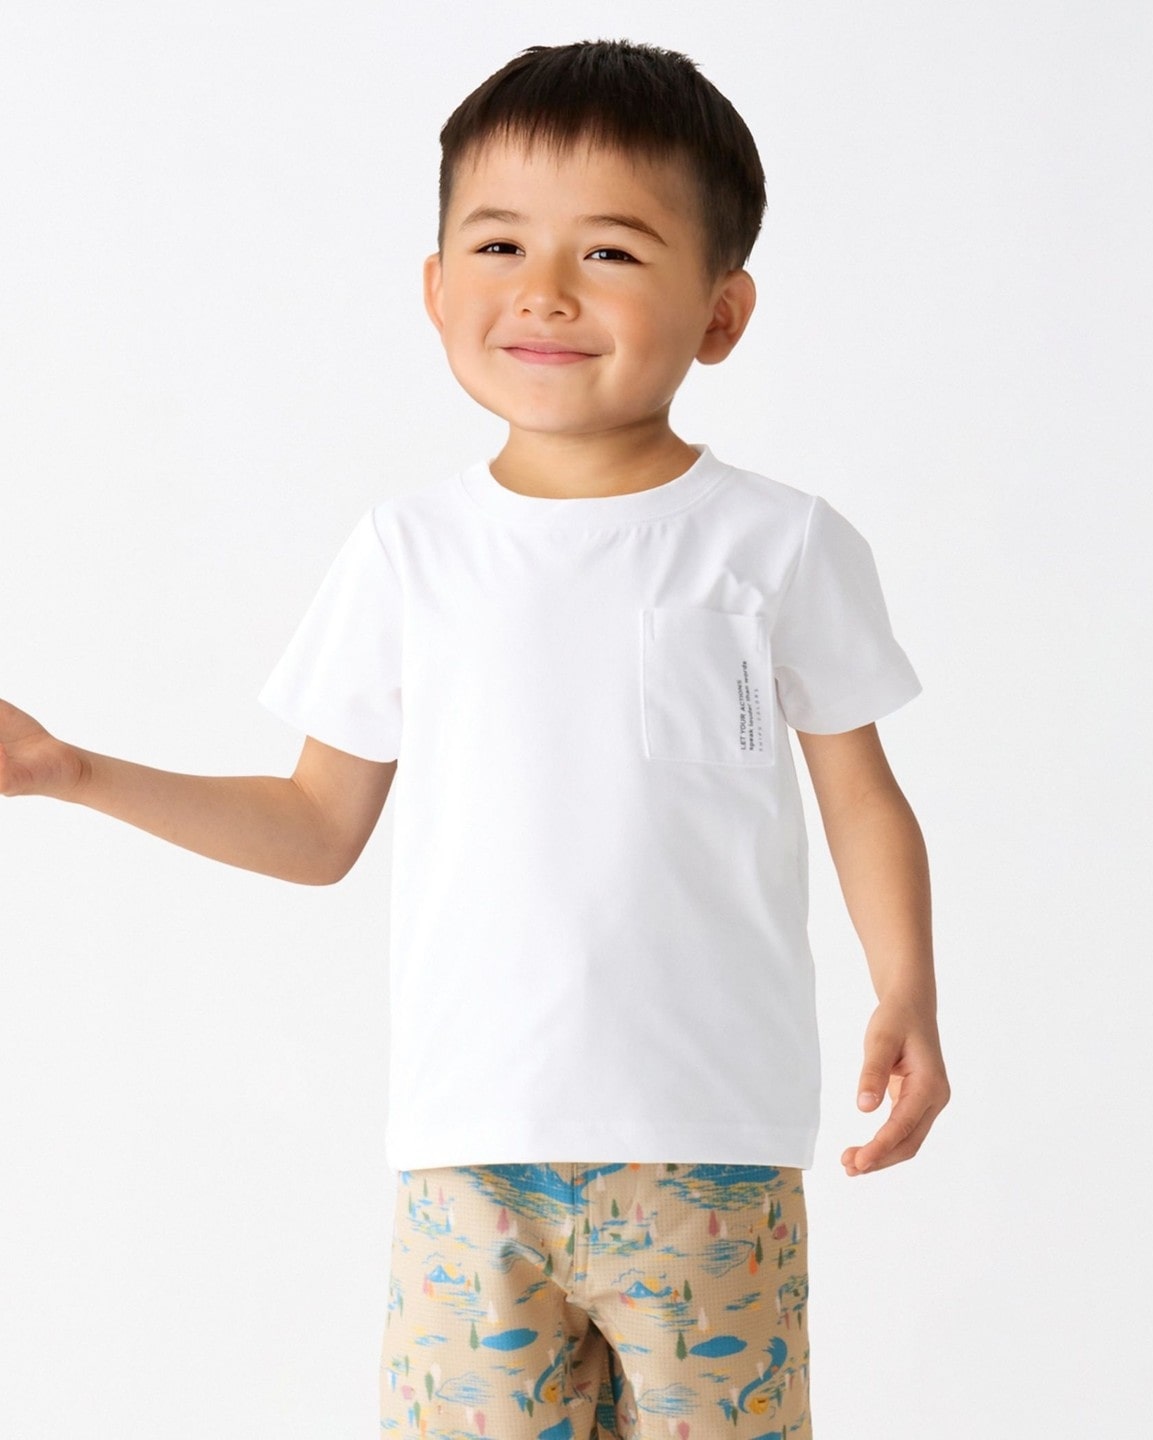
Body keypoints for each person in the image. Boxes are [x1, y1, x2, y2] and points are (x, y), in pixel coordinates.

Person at [0, 38, 950, 1439]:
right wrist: (70, 773)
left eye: (611, 251)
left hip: (713, 1152)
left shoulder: (778, 544)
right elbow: (317, 827)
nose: (545, 290)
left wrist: (907, 990)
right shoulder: (409, 553)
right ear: (438, 287)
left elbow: (860, 795)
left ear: (723, 310)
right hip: (467, 1161)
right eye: (499, 244)